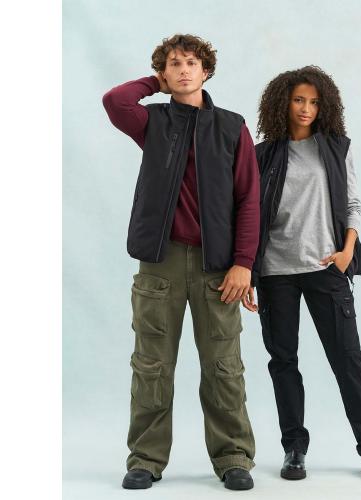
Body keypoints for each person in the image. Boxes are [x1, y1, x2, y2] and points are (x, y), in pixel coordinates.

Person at [102, 34, 259, 491]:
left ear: (207, 71)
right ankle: (146, 459)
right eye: (174, 64)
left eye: (192, 62)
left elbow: (250, 199)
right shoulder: (152, 122)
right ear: (164, 73)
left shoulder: (232, 127)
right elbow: (115, 101)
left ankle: (233, 456)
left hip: (218, 268)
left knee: (224, 366)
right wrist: (157, 83)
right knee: (151, 365)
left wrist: (244, 263)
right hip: (161, 263)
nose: (184, 69)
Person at [251, 65, 361, 480]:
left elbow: (353, 204)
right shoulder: (262, 155)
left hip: (325, 267)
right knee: (283, 362)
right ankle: (294, 449)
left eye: (313, 101)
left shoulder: (336, 148)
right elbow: (248, 214)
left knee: (347, 360)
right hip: (276, 272)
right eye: (298, 100)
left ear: (324, 105)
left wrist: (347, 251)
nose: (306, 108)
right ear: (283, 103)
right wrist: (248, 270)